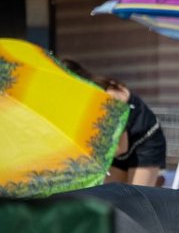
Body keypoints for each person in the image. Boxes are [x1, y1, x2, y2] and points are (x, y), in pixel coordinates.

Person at [61, 59, 167, 187]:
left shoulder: (109, 97)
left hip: (145, 144)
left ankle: (157, 184)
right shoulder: (85, 101)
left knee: (135, 200)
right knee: (113, 200)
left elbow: (121, 147)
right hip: (117, 149)